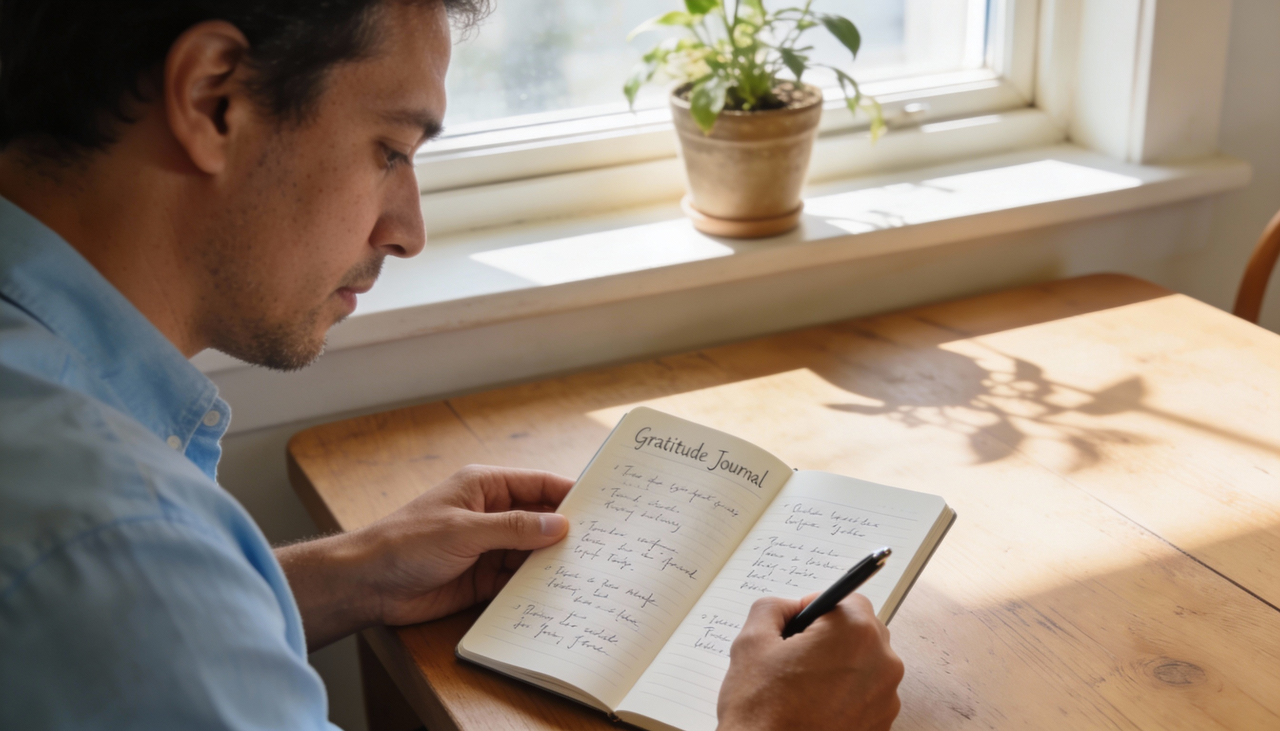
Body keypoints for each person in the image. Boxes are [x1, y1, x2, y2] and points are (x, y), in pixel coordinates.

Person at [0, 0, 904, 728]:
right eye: (389, 150)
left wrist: (353, 569)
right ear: (213, 100)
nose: (409, 231)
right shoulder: (118, 538)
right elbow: (130, 593)